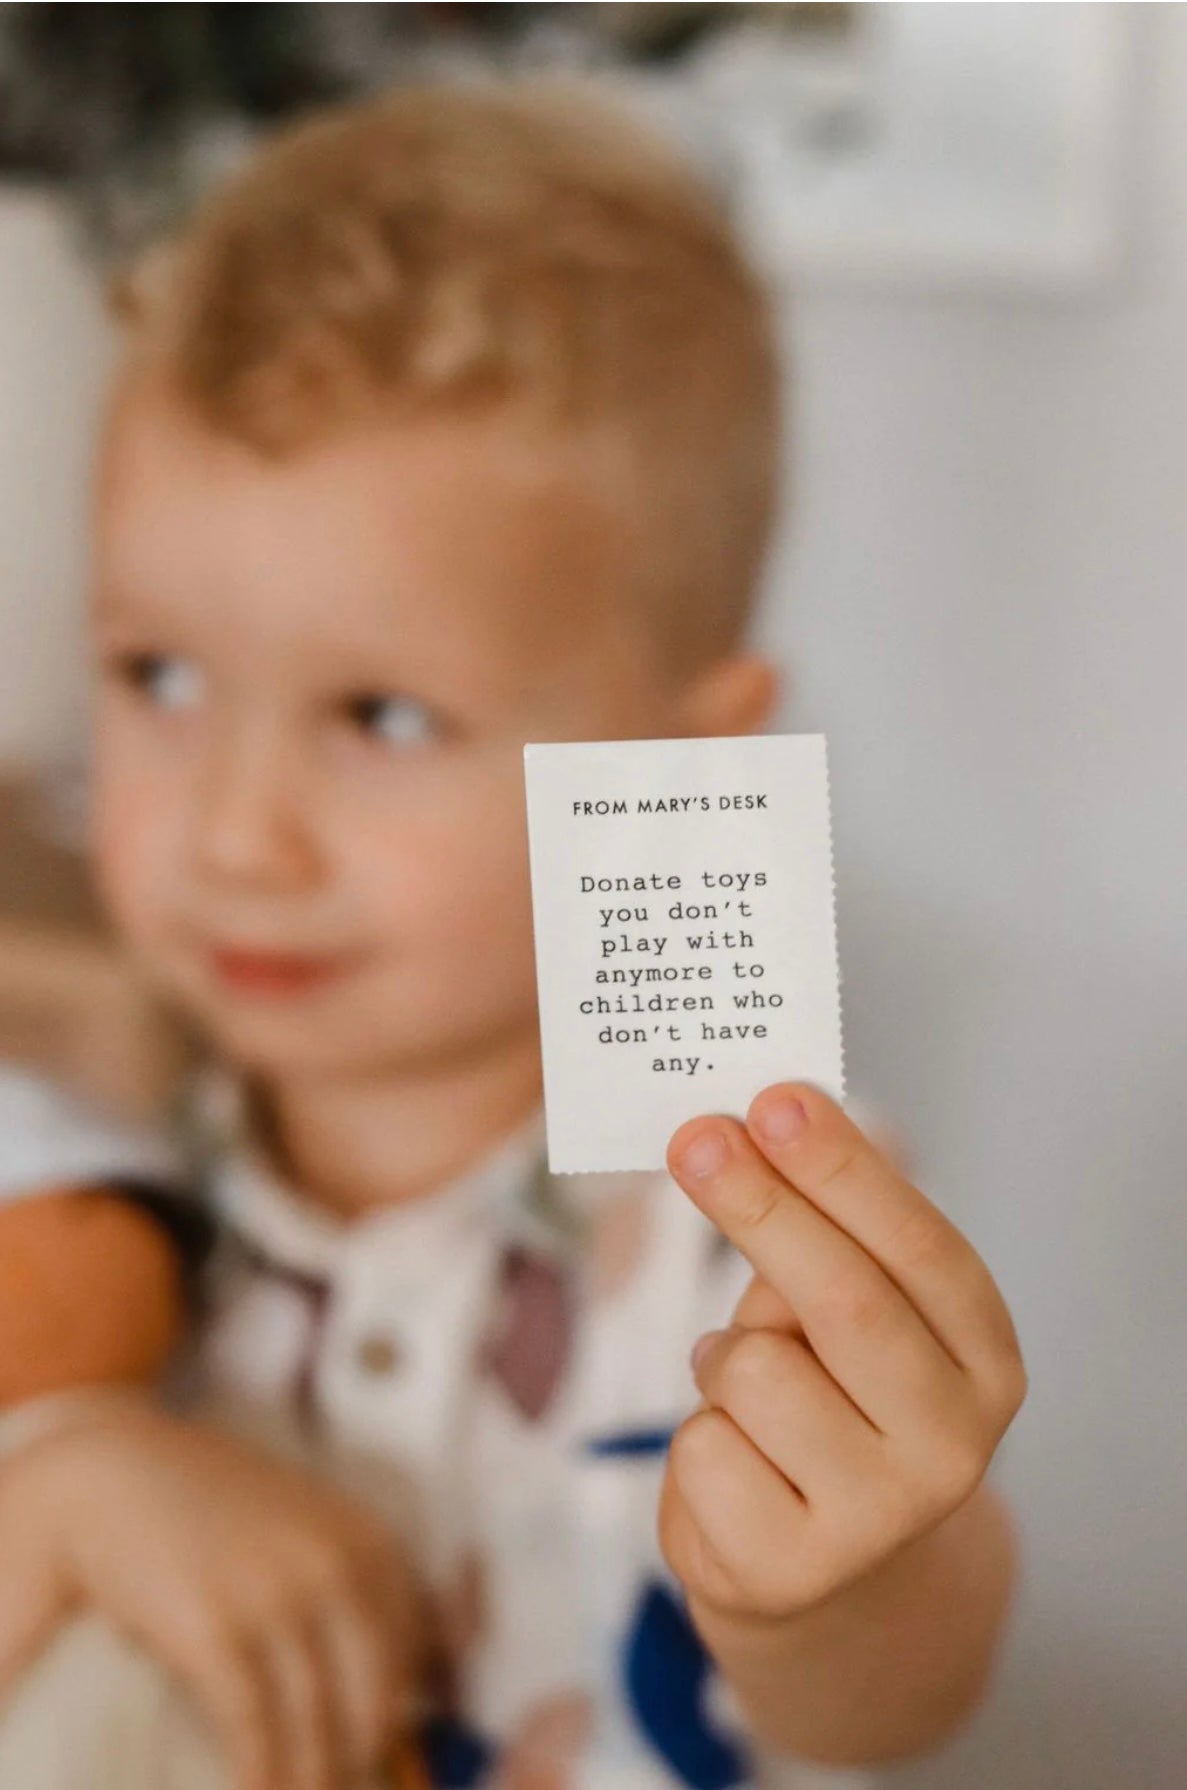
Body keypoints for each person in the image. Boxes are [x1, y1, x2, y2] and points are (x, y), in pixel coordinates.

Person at [0, 82, 1025, 1790]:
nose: (237, 832)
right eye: (158, 676)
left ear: (683, 761)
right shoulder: (73, 1152)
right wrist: (67, 1464)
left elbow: (896, 1695)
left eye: (385, 715)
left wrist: (848, 1579)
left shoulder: (740, 1242)